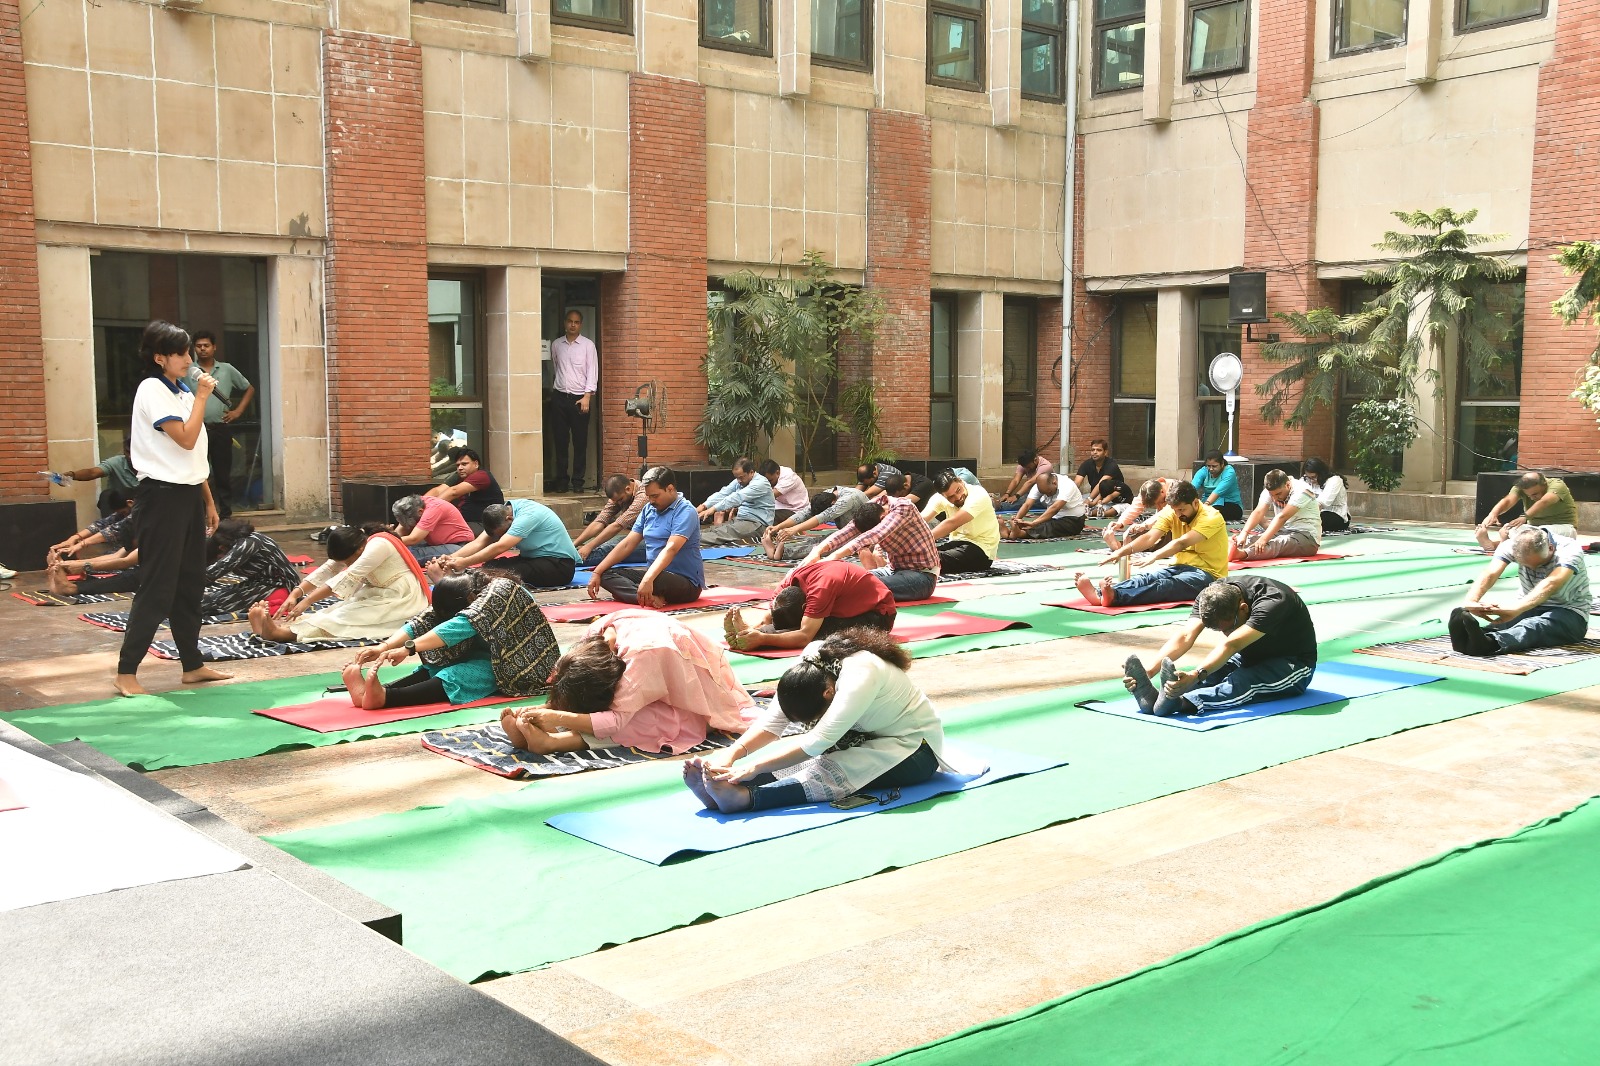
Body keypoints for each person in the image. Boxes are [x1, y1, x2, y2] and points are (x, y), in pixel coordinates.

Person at [682, 629, 951, 813]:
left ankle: (745, 798)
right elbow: (773, 722)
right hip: (867, 740)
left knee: (827, 766)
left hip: (915, 750)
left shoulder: (860, 675)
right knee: (800, 761)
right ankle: (726, 787)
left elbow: (817, 742)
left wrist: (753, 767)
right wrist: (729, 758)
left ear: (828, 694)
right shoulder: (812, 662)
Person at [114, 321, 231, 697]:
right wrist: (202, 398)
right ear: (159, 358)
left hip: (188, 496)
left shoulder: (181, 390)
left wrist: (208, 500)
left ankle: (192, 665)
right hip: (161, 498)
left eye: (188, 352)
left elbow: (194, 458)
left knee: (190, 582)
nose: (188, 359)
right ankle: (126, 671)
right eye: (179, 353)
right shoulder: (152, 389)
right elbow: (185, 439)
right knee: (158, 585)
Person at [500, 608, 755, 755]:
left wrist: (558, 717)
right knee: (604, 708)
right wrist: (546, 708)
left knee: (647, 719)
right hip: (657, 681)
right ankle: (548, 732)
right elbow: (574, 682)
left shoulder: (641, 659)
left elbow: (615, 720)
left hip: (698, 707)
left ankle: (556, 742)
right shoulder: (595, 639)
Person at [343, 572, 560, 709]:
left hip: (520, 664)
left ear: (470, 599)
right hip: (488, 655)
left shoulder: (500, 591)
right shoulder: (467, 588)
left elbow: (459, 626)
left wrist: (409, 648)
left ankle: (386, 698)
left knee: (455, 674)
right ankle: (372, 693)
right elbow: (422, 621)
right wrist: (384, 646)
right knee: (436, 665)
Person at [1122, 575, 1316, 718]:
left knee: (1242, 681)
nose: (1225, 633)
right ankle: (1159, 699)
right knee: (1212, 673)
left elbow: (1232, 644)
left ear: (1243, 609)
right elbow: (1186, 635)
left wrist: (1196, 674)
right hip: (1247, 656)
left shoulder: (1273, 601)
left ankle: (1181, 703)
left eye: (1228, 628)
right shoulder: (1211, 595)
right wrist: (1151, 670)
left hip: (1293, 665)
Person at [247, 525, 429, 642]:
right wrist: (296, 594)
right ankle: (272, 630)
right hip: (377, 594)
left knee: (344, 619)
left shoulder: (379, 545)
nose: (347, 564)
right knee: (333, 612)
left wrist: (307, 601)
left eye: (348, 561)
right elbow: (328, 569)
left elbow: (347, 577)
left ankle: (281, 634)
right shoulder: (357, 544)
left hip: (402, 599)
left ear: (360, 549)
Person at [1075, 482, 1227, 607]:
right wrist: (1120, 552)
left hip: (1208, 576)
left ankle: (1115, 597)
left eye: (1182, 510)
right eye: (1175, 510)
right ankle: (1099, 594)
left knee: (1164, 585)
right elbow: (1150, 537)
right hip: (1179, 566)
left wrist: (1154, 556)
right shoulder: (1172, 512)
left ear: (1195, 502)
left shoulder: (1211, 517)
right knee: (1146, 578)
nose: (1178, 515)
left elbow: (1181, 543)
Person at [1450, 525, 1592, 657]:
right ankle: (1469, 640)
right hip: (1528, 606)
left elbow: (1552, 582)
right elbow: (1490, 573)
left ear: (1551, 548)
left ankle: (1491, 644)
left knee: (1533, 626)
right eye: (1526, 566)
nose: (1534, 570)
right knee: (1503, 624)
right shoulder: (1511, 545)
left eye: (1539, 564)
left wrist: (1516, 609)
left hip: (1570, 613)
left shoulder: (1569, 549)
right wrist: (1471, 601)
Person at [587, 465, 704, 607]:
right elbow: (627, 543)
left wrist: (648, 579)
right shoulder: (648, 509)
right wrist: (597, 572)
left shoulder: (686, 511)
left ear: (670, 489)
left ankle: (638, 594)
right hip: (654, 575)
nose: (651, 501)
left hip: (685, 583)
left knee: (656, 579)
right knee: (605, 574)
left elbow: (671, 549)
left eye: (655, 496)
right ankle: (647, 598)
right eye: (649, 497)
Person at [726, 560, 896, 651]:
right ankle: (747, 634)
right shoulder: (788, 584)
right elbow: (770, 616)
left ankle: (755, 637)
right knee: (789, 622)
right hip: (841, 607)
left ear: (805, 608)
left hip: (878, 615)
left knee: (818, 634)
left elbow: (804, 636)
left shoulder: (820, 590)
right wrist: (752, 628)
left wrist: (763, 639)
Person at [803, 495, 940, 602]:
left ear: (883, 517)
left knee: (856, 586)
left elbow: (874, 535)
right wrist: (817, 551)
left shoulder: (903, 508)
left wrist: (832, 557)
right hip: (893, 570)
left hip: (922, 576)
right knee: (846, 580)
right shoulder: (873, 507)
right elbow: (847, 531)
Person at [432, 500, 581, 589]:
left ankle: (458, 581)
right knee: (491, 566)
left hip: (559, 566)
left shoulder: (527, 516)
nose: (502, 536)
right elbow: (479, 542)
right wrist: (450, 558)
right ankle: (460, 578)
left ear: (510, 519)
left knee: (497, 572)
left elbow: (500, 547)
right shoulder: (505, 513)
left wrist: (464, 563)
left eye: (504, 533)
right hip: (534, 559)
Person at [183, 331, 254, 519]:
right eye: (199, 346)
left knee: (222, 472)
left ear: (214, 347)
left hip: (220, 428)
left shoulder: (226, 369)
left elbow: (249, 388)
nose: (202, 349)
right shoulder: (189, 370)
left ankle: (225, 514)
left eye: (206, 345)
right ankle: (199, 512)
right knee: (197, 472)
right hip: (196, 428)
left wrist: (238, 411)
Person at [195, 518, 303, 615]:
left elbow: (217, 570)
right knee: (217, 596)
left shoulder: (249, 543)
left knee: (211, 604)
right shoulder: (245, 541)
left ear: (222, 548)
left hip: (283, 588)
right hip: (261, 583)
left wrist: (187, 583)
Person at [548, 309, 599, 493]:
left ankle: (578, 481)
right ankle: (562, 480)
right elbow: (555, 367)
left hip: (580, 398)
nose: (572, 325)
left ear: (580, 325)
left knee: (580, 441)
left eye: (576, 322)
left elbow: (592, 371)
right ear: (565, 323)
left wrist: (587, 396)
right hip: (560, 397)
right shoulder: (556, 345)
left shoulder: (588, 346)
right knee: (560, 441)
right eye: (570, 321)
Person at [1231, 469, 1323, 561]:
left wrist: (1263, 539)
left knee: (1277, 543)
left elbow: (1282, 517)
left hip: (1307, 537)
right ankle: (1232, 548)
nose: (1275, 498)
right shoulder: (1271, 490)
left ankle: (1242, 554)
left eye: (1278, 494)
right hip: (1283, 531)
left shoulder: (1301, 489)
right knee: (1251, 539)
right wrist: (1244, 533)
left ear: (1288, 485)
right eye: (1272, 495)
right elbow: (1258, 512)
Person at [922, 469, 1001, 575]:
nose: (958, 497)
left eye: (958, 490)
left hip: (981, 550)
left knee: (927, 560)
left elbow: (953, 523)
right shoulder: (939, 498)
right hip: (956, 543)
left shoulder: (978, 494)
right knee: (922, 555)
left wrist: (920, 540)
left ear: (960, 481)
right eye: (951, 497)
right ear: (943, 496)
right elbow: (921, 519)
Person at [1475, 471, 1579, 550]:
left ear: (1544, 484)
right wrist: (1493, 514)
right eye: (1528, 495)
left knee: (1539, 534)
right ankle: (1494, 545)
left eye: (1535, 494)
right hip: (1533, 528)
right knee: (1512, 529)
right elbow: (1508, 500)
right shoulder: (1520, 488)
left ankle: (1503, 544)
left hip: (1564, 528)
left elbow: (1544, 501)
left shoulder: (1557, 485)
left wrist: (1525, 516)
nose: (1532, 498)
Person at [762, 487, 868, 561]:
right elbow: (804, 513)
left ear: (833, 503)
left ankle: (782, 554)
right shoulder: (828, 494)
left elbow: (822, 517)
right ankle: (778, 550)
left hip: (864, 534)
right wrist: (778, 527)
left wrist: (794, 529)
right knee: (817, 540)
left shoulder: (847, 499)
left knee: (828, 546)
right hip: (848, 531)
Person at [571, 474, 648, 567]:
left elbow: (617, 526)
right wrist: (573, 545)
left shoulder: (643, 496)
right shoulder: (620, 494)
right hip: (637, 536)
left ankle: (565, 563)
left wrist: (589, 546)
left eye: (620, 499)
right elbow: (600, 520)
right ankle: (565, 556)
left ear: (628, 489)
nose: (619, 503)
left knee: (608, 548)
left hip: (654, 543)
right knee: (601, 544)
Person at [696, 457, 775, 546]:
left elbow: (737, 497)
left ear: (751, 472)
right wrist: (704, 506)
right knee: (713, 529)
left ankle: (689, 541)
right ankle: (688, 537)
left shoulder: (760, 483)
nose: (739, 481)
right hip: (741, 519)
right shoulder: (740, 481)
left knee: (722, 533)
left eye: (741, 477)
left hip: (758, 524)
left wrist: (713, 509)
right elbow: (723, 493)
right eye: (737, 478)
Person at [61, 436, 141, 517]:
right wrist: (71, 475)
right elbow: (92, 473)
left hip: (143, 503)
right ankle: (109, 523)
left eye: (133, 453)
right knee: (106, 495)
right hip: (121, 504)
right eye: (127, 452)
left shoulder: (149, 465)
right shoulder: (117, 462)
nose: (130, 456)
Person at [424, 448, 504, 527]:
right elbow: (438, 490)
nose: (460, 468)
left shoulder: (482, 476)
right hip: (465, 521)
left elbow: (453, 492)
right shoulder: (459, 475)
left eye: (464, 464)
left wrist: (429, 510)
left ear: (476, 464)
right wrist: (421, 504)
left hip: (485, 525)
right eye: (458, 465)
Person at [50, 491, 136, 561]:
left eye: (124, 512)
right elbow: (101, 524)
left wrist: (81, 545)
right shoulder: (124, 513)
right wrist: (74, 538)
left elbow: (113, 530)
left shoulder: (139, 514)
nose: (124, 516)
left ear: (130, 503)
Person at [391, 494, 473, 562]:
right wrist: (390, 537)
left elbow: (414, 539)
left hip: (460, 546)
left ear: (420, 512)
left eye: (412, 522)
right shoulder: (412, 506)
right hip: (439, 544)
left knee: (407, 556)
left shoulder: (432, 509)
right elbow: (400, 531)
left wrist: (388, 541)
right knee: (400, 550)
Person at [1004, 472, 1085, 540]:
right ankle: (1012, 532)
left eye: (1049, 492)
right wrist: (1016, 520)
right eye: (1044, 493)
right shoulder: (1039, 485)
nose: (1048, 495)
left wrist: (1034, 523)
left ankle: (1020, 534)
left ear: (1054, 483)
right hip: (1054, 517)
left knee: (1049, 526)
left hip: (1074, 520)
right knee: (1039, 522)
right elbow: (1027, 505)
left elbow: (1055, 508)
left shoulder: (1067, 485)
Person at [1102, 477, 1178, 549]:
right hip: (1160, 521)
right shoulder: (1148, 489)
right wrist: (1120, 523)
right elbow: (1135, 507)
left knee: (1157, 536)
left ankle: (1125, 547)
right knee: (1140, 532)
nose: (1158, 505)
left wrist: (1144, 525)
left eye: (1160, 502)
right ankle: (1121, 545)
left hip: (1177, 523)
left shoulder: (1175, 490)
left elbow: (1167, 512)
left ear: (1162, 491)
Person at [1074, 439, 1131, 512]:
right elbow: (1077, 483)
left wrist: (1089, 499)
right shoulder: (1086, 464)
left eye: (1099, 450)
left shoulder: (1111, 465)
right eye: (1093, 450)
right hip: (1095, 496)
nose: (1095, 452)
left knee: (1100, 508)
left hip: (1114, 497)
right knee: (1077, 503)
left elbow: (1100, 484)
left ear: (1105, 452)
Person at [1192, 451, 1244, 522]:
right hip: (1208, 504)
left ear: (1222, 464)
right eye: (1208, 466)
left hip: (1229, 504)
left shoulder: (1229, 472)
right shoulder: (1203, 470)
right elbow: (1192, 487)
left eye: (1214, 466)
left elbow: (1218, 491)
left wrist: (1206, 505)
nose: (1211, 469)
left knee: (1212, 512)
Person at [1301, 458, 1349, 533]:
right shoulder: (1306, 479)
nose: (1312, 481)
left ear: (1321, 473)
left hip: (1335, 514)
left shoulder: (1334, 480)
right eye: (1308, 477)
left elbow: (1322, 503)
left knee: (1310, 521)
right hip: (1313, 512)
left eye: (1314, 477)